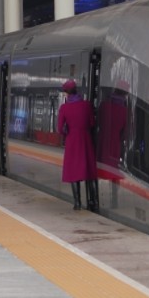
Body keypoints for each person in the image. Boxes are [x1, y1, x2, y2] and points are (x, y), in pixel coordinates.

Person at [57, 78, 98, 212]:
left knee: (74, 172)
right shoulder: (86, 105)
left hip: (72, 141)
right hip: (86, 139)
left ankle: (77, 203)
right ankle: (92, 201)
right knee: (88, 169)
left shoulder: (64, 108)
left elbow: (60, 129)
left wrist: (67, 133)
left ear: (66, 93)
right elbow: (92, 123)